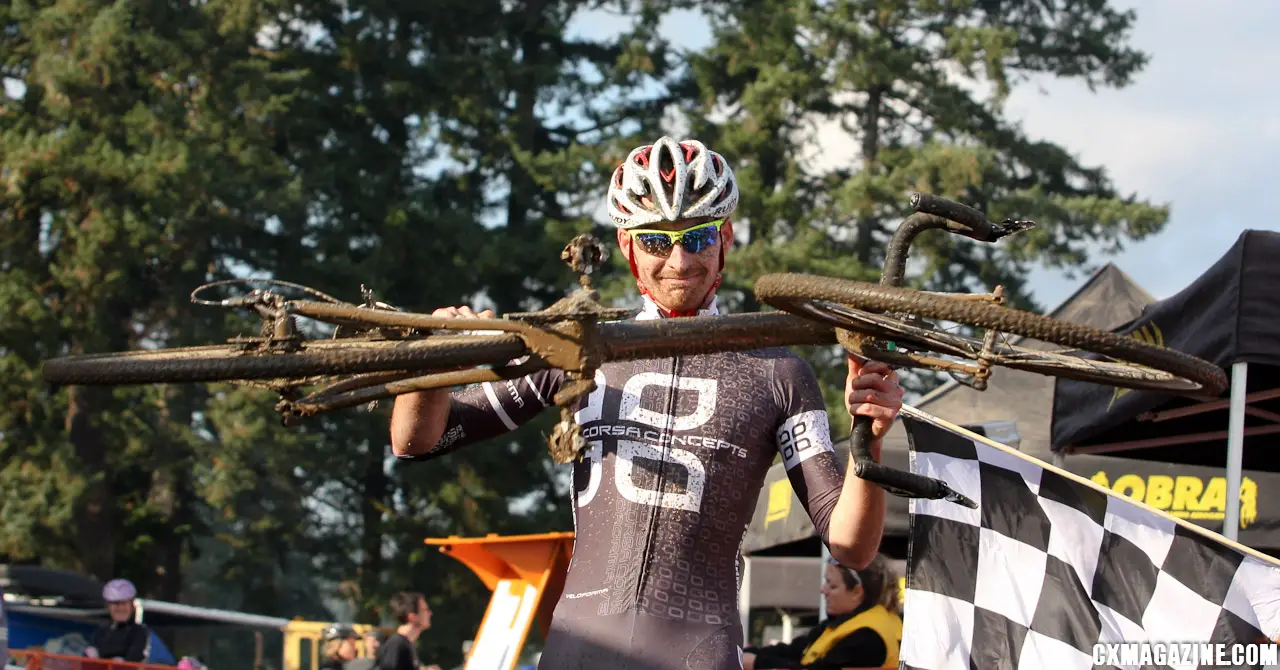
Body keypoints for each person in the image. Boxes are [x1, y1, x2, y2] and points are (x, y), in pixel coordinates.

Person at [390, 135, 901, 669]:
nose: (679, 261)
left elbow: (851, 547)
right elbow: (417, 441)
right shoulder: (579, 348)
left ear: (725, 237)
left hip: (697, 654)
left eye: (698, 236)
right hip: (576, 652)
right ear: (627, 244)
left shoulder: (780, 372)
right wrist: (432, 370)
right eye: (657, 241)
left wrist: (871, 432)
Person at [742, 555, 902, 669]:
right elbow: (791, 651)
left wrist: (757, 663)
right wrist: (741, 653)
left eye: (832, 586)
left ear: (856, 593)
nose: (823, 590)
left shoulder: (869, 637)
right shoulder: (839, 625)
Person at [84, 579, 151, 663]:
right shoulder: (101, 631)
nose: (120, 608)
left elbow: (135, 657)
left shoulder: (139, 631)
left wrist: (120, 663)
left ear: (132, 606)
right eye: (115, 603)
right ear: (108, 607)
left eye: (124, 603)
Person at [374, 592, 439, 670]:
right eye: (425, 610)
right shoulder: (397, 644)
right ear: (412, 617)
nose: (430, 613)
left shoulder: (407, 645)